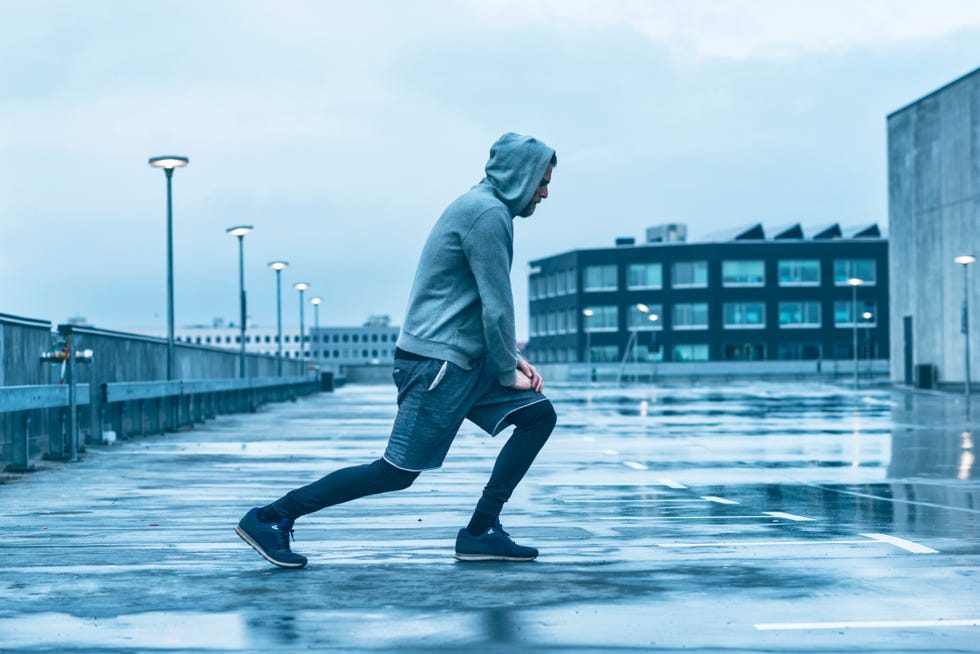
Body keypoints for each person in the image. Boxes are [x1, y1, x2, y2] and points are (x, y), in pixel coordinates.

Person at [236, 132, 558, 568]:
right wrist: (506, 372)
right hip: (437, 366)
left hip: (460, 360)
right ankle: (271, 517)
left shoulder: (484, 208)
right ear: (521, 175)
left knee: (537, 414)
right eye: (542, 179)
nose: (545, 191)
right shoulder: (487, 215)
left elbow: (482, 305)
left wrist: (511, 360)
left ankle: (482, 529)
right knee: (396, 473)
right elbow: (497, 306)